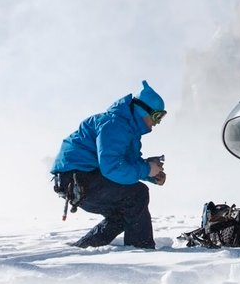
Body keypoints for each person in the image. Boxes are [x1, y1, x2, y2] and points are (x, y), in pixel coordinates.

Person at [52, 81, 168, 250]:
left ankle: (82, 248)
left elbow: (124, 163)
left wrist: (150, 173)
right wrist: (147, 169)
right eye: (157, 116)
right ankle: (141, 250)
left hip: (78, 178)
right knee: (137, 194)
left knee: (122, 213)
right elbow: (112, 167)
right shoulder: (114, 125)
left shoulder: (127, 128)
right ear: (143, 110)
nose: (157, 123)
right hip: (77, 177)